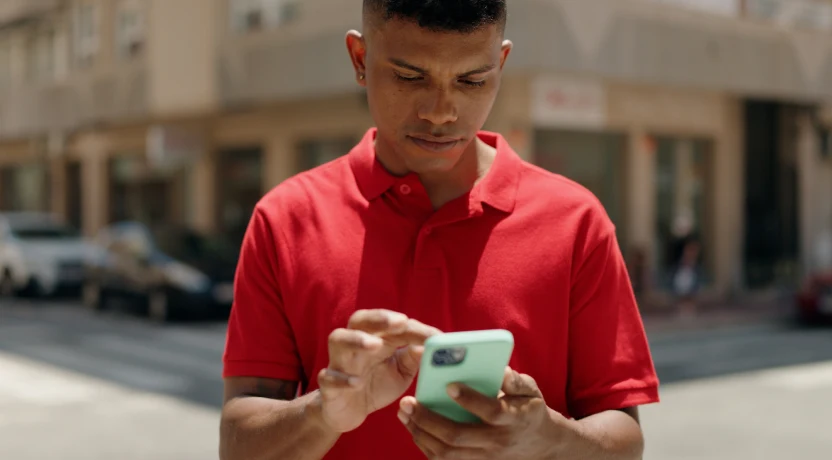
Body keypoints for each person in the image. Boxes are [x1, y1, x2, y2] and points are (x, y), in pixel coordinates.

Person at [219, 1, 660, 459]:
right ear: (360, 60)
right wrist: (322, 413)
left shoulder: (576, 221)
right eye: (411, 77)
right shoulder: (285, 219)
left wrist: (547, 440)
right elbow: (237, 445)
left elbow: (624, 443)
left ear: (501, 64)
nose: (441, 111)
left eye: (472, 80)